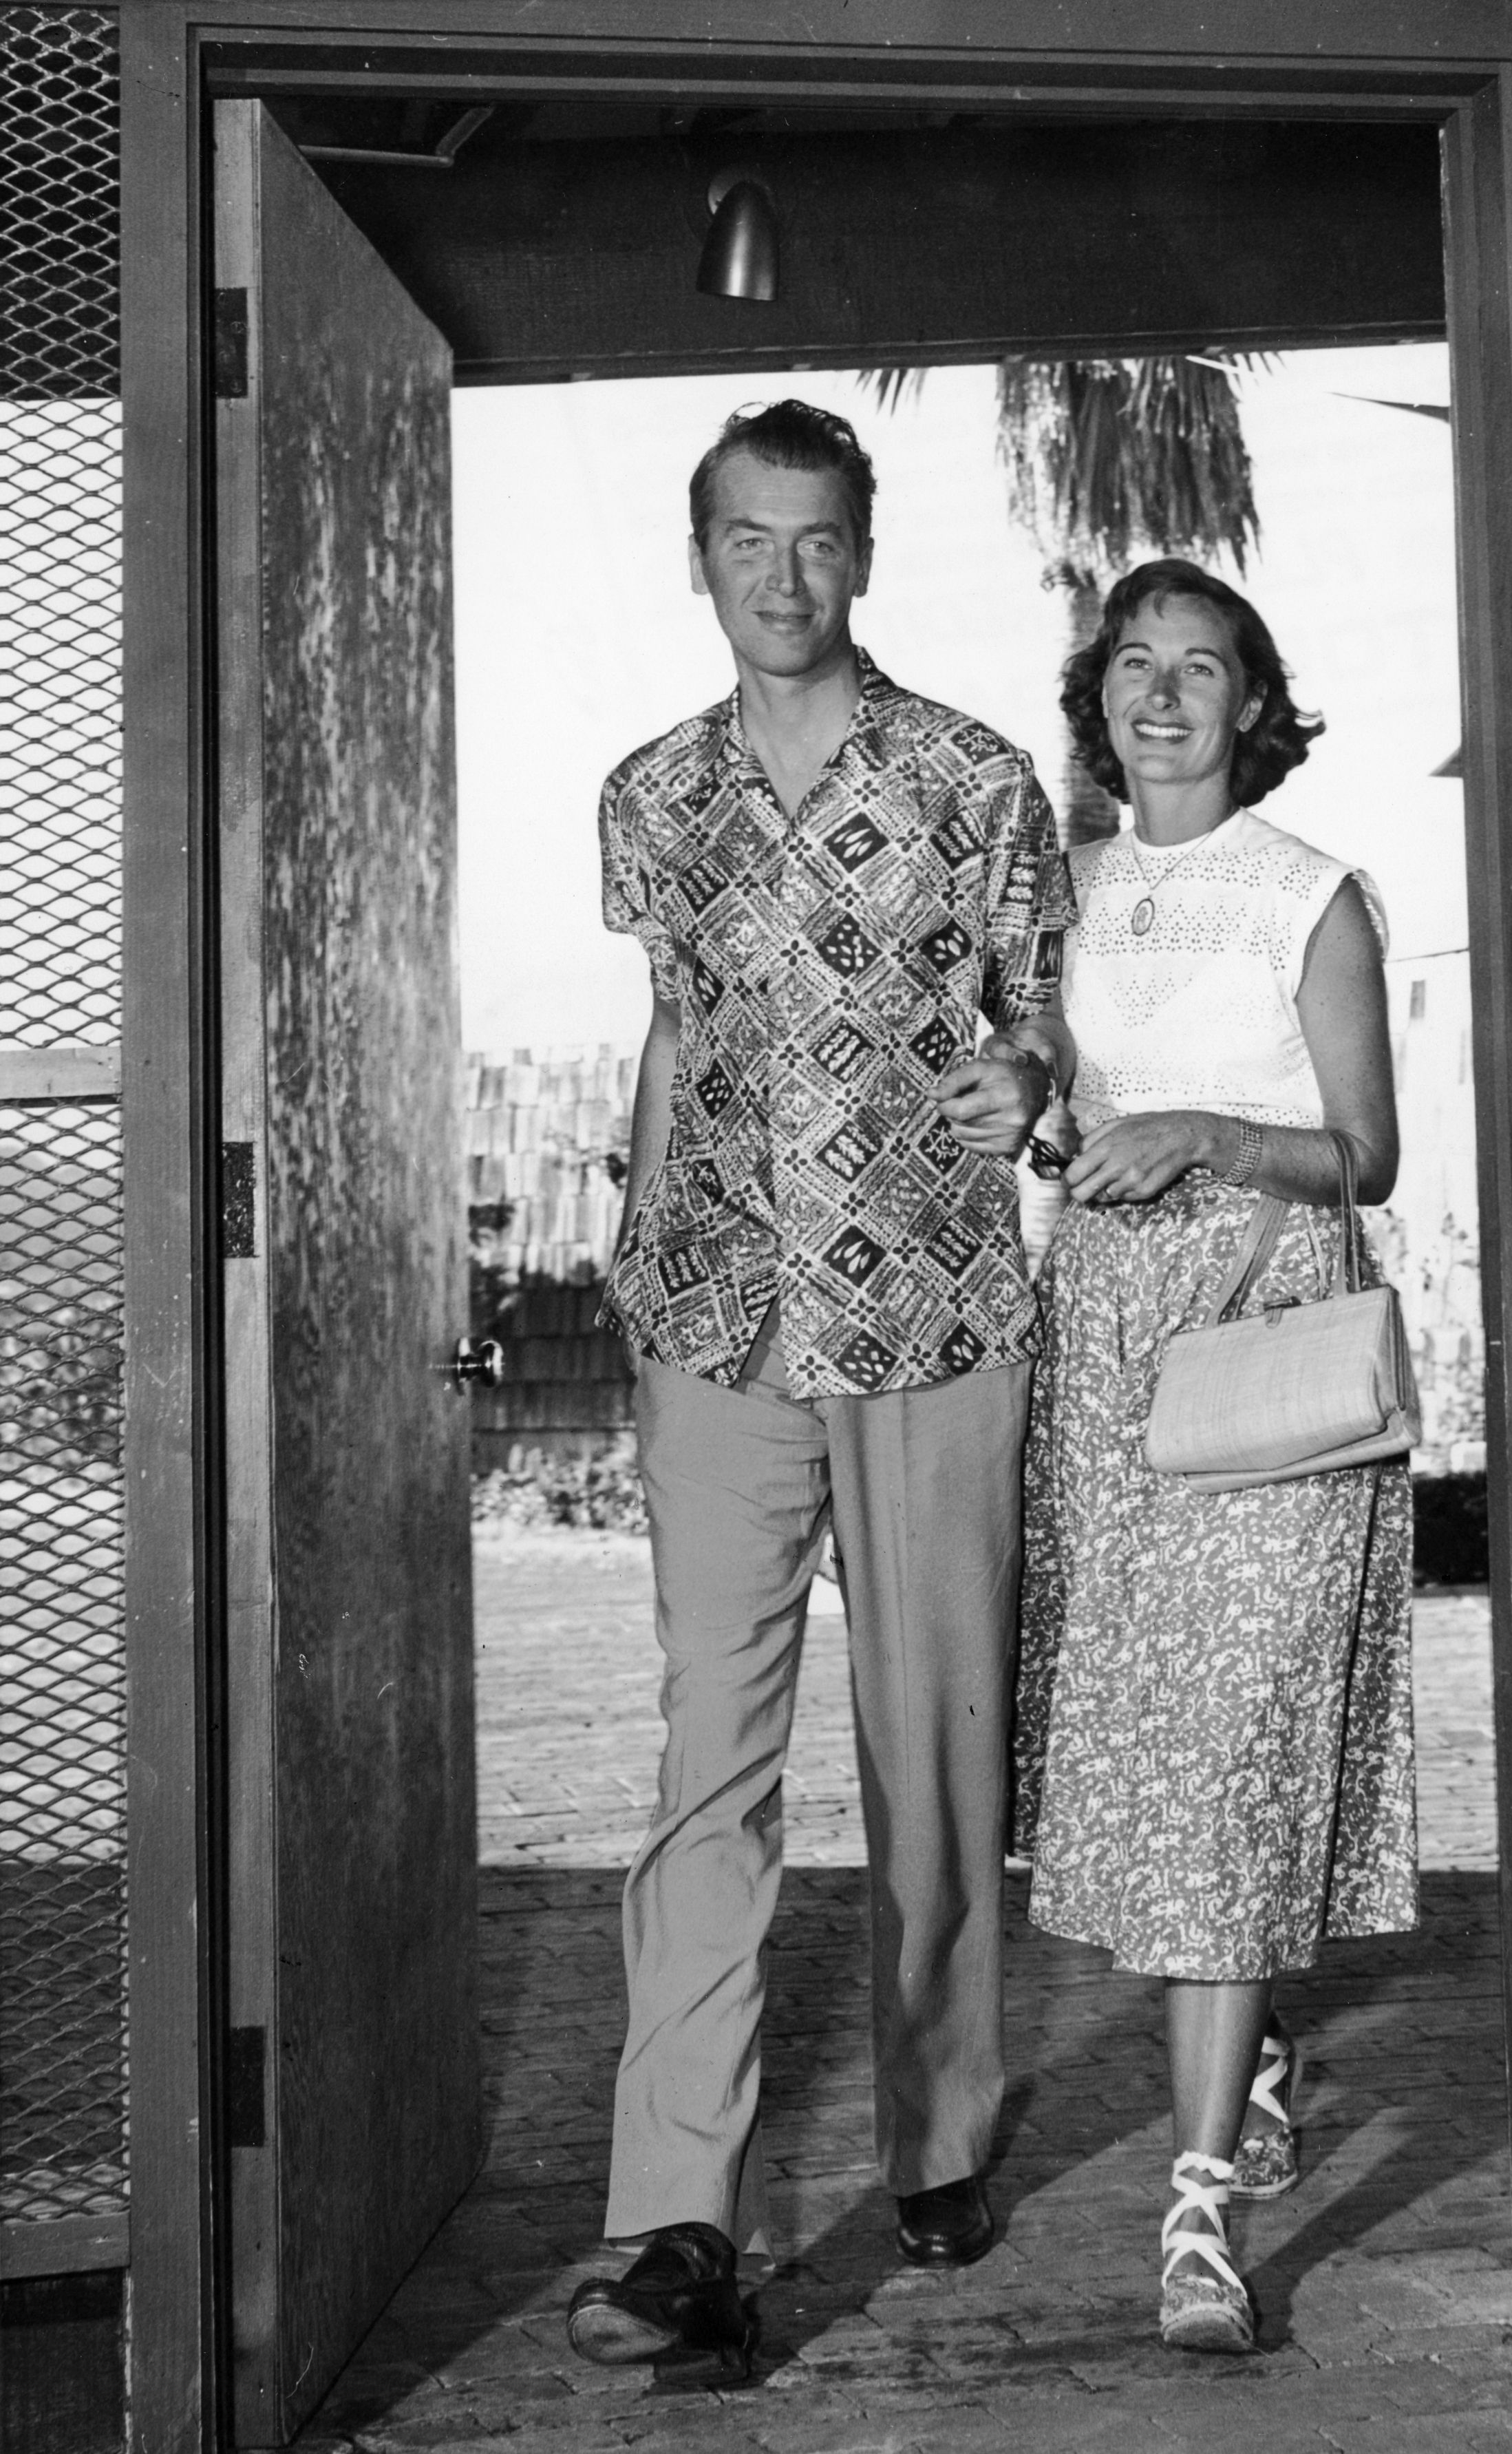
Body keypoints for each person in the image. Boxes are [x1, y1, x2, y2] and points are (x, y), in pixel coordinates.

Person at [564, 402, 1076, 2376]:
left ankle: (939, 2128)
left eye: (818, 541)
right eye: (747, 541)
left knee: (932, 1753)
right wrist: (637, 1268)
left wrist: (1034, 1087)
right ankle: (677, 2216)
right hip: (715, 1320)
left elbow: (1044, 1024)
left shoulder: (972, 777)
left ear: (864, 553)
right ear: (701, 556)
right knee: (713, 1763)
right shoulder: (650, 796)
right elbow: (674, 1038)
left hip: (938, 1312)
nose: (783, 578)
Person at [1011, 559, 1418, 2356]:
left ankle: (1196, 2213)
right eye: (1137, 665)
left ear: (1256, 705)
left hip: (1265, 1341)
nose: (1164, 693)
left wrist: (1198, 1133)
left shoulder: (1312, 892)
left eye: (1206, 667)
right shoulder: (1061, 895)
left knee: (1236, 1744)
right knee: (1156, 1744)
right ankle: (1242, 2068)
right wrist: (1049, 1124)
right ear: (1095, 694)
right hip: (1100, 1344)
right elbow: (1041, 1103)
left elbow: (1367, 1156)